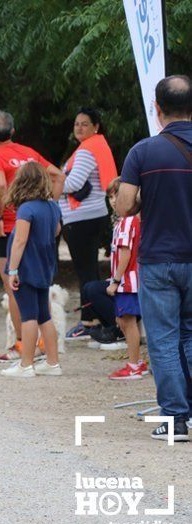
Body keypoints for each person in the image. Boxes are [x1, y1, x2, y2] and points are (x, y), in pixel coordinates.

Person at [116, 74, 192, 442]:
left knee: (163, 340)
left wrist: (148, 198)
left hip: (160, 259)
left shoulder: (143, 152)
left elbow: (125, 204)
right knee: (191, 336)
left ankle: (176, 419)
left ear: (157, 109)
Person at [0, 109, 65, 363]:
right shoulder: (29, 153)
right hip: (38, 225)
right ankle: (43, 347)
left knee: (14, 288)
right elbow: (58, 175)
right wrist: (50, 207)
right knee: (40, 287)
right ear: (13, 132)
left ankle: (21, 346)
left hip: (10, 227)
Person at [0, 162, 63, 378]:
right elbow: (56, 231)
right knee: (45, 316)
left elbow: (20, 241)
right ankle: (53, 363)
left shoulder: (26, 209)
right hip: (45, 268)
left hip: (26, 268)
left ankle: (25, 365)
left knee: (28, 317)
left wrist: (13, 270)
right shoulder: (53, 206)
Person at [60, 107, 115, 341]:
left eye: (84, 123)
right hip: (92, 216)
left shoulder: (85, 152)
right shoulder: (97, 147)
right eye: (76, 123)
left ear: (96, 127)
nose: (79, 127)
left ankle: (88, 322)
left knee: (86, 273)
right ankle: (95, 320)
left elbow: (72, 184)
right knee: (90, 270)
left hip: (81, 219)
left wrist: (49, 181)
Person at [100, 179, 147, 380]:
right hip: (129, 280)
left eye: (116, 196)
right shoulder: (127, 221)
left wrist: (116, 280)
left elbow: (126, 253)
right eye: (110, 196)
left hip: (128, 281)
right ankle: (136, 361)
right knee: (124, 320)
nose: (113, 201)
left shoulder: (127, 222)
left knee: (127, 322)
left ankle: (134, 364)